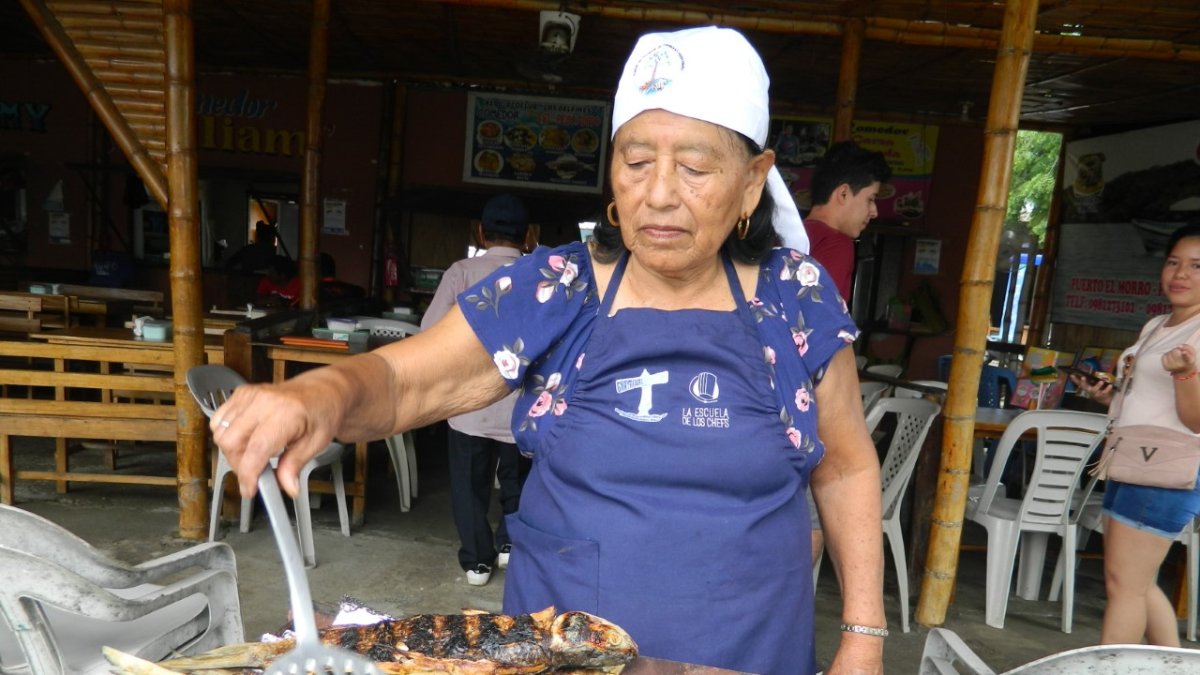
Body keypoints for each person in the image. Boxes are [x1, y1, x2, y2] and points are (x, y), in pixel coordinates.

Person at [209, 26, 882, 675]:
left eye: (696, 167)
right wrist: (318, 395)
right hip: (561, 653)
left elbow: (846, 465)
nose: (658, 193)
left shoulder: (796, 298)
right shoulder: (558, 286)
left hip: (749, 647)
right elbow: (406, 380)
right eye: (637, 161)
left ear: (752, 178)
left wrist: (864, 636)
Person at [1073, 223, 1200, 648]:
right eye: (1173, 262)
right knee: (1137, 585)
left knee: (1122, 587)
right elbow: (1143, 398)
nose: (1180, 274)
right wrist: (1106, 395)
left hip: (1167, 469)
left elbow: (1197, 419)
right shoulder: (1158, 324)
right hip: (1131, 459)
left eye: (1197, 266)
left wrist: (1186, 374)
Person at [420, 194, 533, 587]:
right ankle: (508, 546)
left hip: (469, 405)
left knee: (470, 485)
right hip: (522, 406)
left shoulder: (461, 272)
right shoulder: (537, 274)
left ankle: (477, 563)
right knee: (518, 481)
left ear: (481, 232)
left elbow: (429, 332)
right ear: (528, 236)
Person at [804, 141, 892, 301]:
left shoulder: (786, 235)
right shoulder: (837, 244)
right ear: (843, 193)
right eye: (870, 199)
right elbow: (821, 318)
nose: (874, 212)